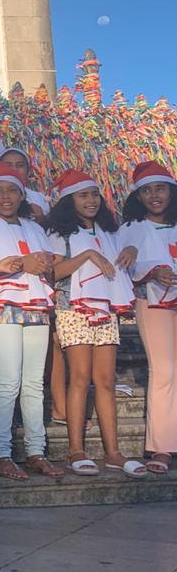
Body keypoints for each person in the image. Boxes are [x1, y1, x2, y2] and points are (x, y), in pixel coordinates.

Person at [48, 170, 146, 478]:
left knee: (104, 381)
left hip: (105, 310)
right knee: (79, 378)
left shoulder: (109, 232)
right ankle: (76, 450)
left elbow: (121, 263)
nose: (91, 200)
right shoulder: (58, 232)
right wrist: (88, 254)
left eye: (94, 194)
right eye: (82, 195)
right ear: (69, 200)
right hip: (72, 309)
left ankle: (113, 452)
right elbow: (54, 273)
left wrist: (130, 250)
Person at [0, 163, 61, 481]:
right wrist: (3, 266)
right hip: (2, 307)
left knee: (34, 383)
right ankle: (1, 453)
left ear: (22, 194)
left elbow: (48, 265)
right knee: (9, 379)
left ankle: (36, 450)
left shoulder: (34, 228)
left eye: (11, 190)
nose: (5, 196)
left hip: (36, 306)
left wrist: (43, 263)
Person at [118, 161, 177, 475]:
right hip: (154, 305)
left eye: (160, 188)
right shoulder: (130, 229)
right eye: (147, 190)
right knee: (165, 370)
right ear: (138, 196)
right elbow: (124, 265)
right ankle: (163, 446)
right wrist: (153, 269)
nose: (155, 195)